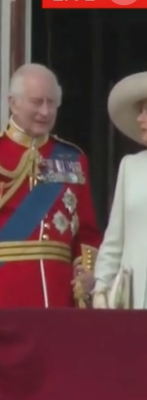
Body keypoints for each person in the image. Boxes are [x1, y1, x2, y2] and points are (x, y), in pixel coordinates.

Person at [0, 63, 102, 309]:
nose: (45, 111)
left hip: (61, 297)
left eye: (51, 103)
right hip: (2, 294)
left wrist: (86, 283)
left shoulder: (72, 158)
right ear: (13, 102)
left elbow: (87, 231)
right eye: (37, 102)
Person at [93, 72, 147, 309]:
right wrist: (101, 286)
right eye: (139, 111)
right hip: (134, 300)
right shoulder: (131, 166)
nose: (140, 119)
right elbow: (114, 238)